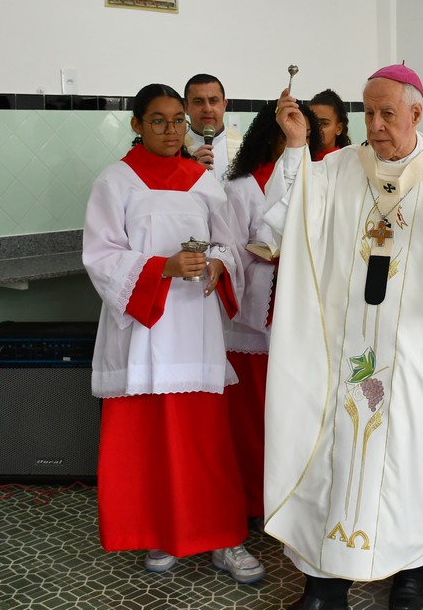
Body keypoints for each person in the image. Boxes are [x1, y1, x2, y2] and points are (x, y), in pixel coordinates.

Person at [262, 64, 423, 610]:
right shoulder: (338, 169)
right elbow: (283, 225)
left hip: (418, 356)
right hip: (348, 351)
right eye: (368, 113)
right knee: (338, 458)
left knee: (410, 463)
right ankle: (326, 581)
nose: (376, 125)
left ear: (416, 113)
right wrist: (296, 146)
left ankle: (411, 574)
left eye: (387, 113)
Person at [82, 83, 265, 583]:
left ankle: (224, 537)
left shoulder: (202, 181)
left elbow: (228, 244)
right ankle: (160, 533)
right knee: (149, 446)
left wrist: (218, 265)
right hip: (142, 333)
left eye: (178, 120)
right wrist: (162, 267)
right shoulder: (115, 181)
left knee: (205, 443)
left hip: (195, 330)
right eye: (158, 121)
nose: (171, 130)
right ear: (136, 125)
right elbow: (100, 256)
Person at [221, 101, 322, 520]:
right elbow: (227, 249)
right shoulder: (241, 187)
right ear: (269, 136)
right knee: (252, 419)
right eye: (288, 135)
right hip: (253, 318)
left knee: (291, 416)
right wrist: (268, 256)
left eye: (305, 136)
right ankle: (252, 501)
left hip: (298, 315)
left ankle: (290, 501)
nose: (297, 145)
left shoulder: (317, 181)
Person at [184, 73, 243, 180]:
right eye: (198, 102)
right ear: (186, 107)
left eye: (213, 101)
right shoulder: (176, 149)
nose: (207, 109)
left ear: (224, 105)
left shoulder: (243, 145)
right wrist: (189, 169)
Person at [308, 88, 352, 159]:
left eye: (324, 123)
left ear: (338, 129)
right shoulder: (300, 157)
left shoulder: (346, 161)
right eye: (312, 122)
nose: (316, 128)